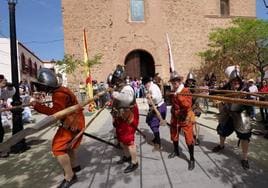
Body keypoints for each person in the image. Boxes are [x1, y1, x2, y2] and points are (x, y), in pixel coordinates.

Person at [31, 68, 84, 188]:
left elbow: (56, 113)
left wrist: (37, 106)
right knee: (68, 144)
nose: (42, 88)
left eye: (42, 86)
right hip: (75, 119)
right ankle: (74, 166)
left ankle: (70, 176)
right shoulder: (62, 90)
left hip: (72, 122)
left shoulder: (59, 94)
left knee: (57, 148)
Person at [212, 65, 251, 170]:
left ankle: (245, 158)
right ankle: (221, 145)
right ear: (230, 81)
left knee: (245, 135)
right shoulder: (227, 87)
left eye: (237, 81)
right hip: (229, 113)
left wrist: (244, 97)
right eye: (233, 81)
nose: (235, 83)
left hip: (241, 114)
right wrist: (211, 92)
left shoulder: (245, 89)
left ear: (240, 81)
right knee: (222, 128)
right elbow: (216, 92)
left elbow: (250, 104)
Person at [110, 65, 139, 173]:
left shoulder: (127, 88)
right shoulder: (119, 88)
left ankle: (135, 162)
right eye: (116, 80)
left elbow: (127, 99)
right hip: (121, 116)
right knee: (122, 138)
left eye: (117, 79)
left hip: (129, 115)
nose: (116, 81)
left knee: (129, 139)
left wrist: (115, 94)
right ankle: (127, 156)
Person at [168, 71, 195, 170]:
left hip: (185, 117)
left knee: (189, 139)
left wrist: (178, 95)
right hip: (175, 116)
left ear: (180, 81)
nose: (175, 82)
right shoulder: (174, 91)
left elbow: (187, 105)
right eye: (173, 81)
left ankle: (192, 159)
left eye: (176, 80)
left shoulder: (185, 90)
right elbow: (173, 103)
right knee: (174, 135)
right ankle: (176, 151)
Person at [142, 76, 167, 150]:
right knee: (149, 121)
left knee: (154, 125)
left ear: (148, 83)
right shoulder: (151, 87)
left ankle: (158, 143)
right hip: (155, 108)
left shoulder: (153, 87)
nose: (145, 86)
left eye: (145, 84)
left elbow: (156, 96)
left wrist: (151, 96)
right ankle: (156, 137)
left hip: (159, 108)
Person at [0, 74, 15, 158]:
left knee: (1, 131)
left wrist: (10, 87)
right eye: (3, 80)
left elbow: (9, 94)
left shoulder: (2, 90)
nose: (5, 81)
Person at [185, 72, 201, 145]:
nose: (190, 82)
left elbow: (196, 99)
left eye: (191, 80)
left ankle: (196, 137)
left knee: (195, 122)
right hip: (187, 107)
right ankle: (193, 136)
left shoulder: (195, 88)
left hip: (195, 107)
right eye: (189, 80)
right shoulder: (184, 87)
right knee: (190, 123)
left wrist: (191, 91)